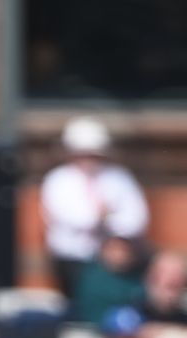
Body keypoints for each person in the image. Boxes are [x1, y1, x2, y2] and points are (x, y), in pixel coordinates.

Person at [40, 116, 149, 297]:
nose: (89, 160)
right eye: (83, 154)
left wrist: (111, 229)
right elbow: (68, 218)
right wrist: (101, 216)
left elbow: (136, 219)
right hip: (73, 260)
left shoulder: (119, 178)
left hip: (116, 261)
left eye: (94, 155)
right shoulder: (58, 180)